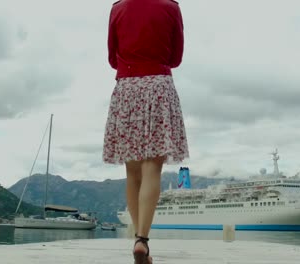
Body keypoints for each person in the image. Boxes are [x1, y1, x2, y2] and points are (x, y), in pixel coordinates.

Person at [103, 0, 188, 263]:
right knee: (153, 169)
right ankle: (143, 240)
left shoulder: (118, 8)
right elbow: (176, 58)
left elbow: (111, 57)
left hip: (127, 87)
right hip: (159, 86)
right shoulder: (171, 7)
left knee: (132, 171)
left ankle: (138, 241)